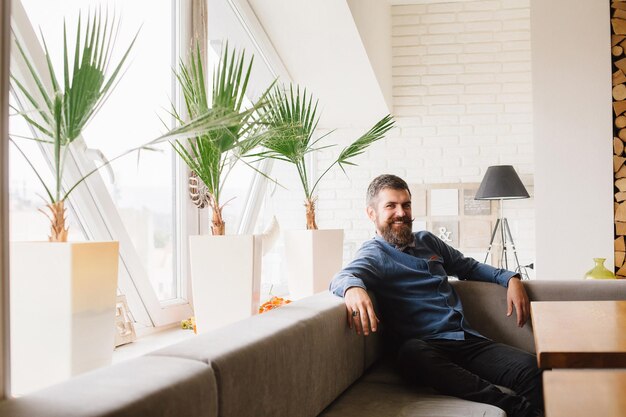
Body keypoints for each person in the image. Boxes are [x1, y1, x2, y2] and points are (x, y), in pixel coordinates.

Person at [330, 174, 543, 417]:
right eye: (391, 206)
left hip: (466, 340)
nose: (401, 212)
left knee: (531, 367)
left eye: (406, 205)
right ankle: (515, 409)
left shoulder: (427, 241)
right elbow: (343, 276)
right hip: (424, 347)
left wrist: (509, 278)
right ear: (371, 214)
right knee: (413, 354)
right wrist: (353, 289)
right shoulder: (373, 254)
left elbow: (468, 267)